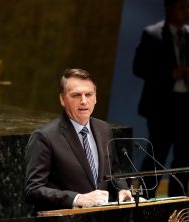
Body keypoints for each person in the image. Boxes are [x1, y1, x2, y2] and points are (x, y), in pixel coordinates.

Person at [133, 0, 189, 198]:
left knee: (184, 160)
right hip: (161, 107)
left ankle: (176, 204)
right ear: (169, 8)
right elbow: (139, 67)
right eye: (182, 7)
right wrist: (169, 73)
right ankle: (145, 201)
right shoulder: (152, 34)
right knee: (155, 157)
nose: (188, 11)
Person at [25, 68, 132, 212]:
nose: (83, 101)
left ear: (95, 98)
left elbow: (113, 170)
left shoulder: (104, 129)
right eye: (76, 95)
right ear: (62, 99)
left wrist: (122, 189)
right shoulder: (45, 136)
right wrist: (77, 199)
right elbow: (33, 190)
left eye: (88, 94)